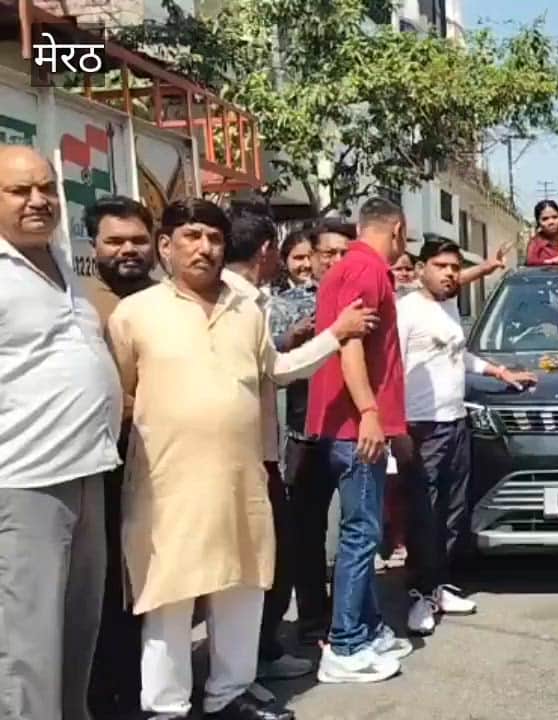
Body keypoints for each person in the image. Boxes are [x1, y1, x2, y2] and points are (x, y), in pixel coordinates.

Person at [107, 199, 372, 720]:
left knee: (242, 587)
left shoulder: (247, 309)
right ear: (166, 246)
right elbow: (118, 394)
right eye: (191, 236)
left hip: (240, 478)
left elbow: (278, 369)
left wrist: (335, 335)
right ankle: (166, 707)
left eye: (214, 237)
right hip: (166, 483)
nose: (204, 247)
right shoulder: (134, 314)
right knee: (168, 597)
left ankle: (230, 693)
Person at [0, 145, 121, 720]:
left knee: (79, 632)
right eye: (19, 191)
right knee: (27, 648)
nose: (38, 200)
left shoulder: (59, 263)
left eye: (46, 188)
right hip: (24, 481)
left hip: (86, 469)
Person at [398, 240, 537, 634]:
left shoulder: (448, 305)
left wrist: (499, 373)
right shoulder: (407, 310)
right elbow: (390, 369)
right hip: (421, 426)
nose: (449, 274)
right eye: (440, 266)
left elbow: (458, 355)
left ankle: (438, 587)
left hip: (455, 421)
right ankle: (419, 595)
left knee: (452, 513)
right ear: (422, 267)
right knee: (423, 515)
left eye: (455, 267)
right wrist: (395, 428)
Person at [307, 198, 415, 684]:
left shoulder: (354, 268)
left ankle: (366, 630)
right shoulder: (364, 269)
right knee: (360, 535)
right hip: (355, 430)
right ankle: (345, 644)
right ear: (397, 228)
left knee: (364, 531)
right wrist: (371, 413)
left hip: (356, 426)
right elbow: (349, 346)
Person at [221, 210, 319, 683]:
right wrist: (336, 336)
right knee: (267, 563)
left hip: (253, 450)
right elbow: (275, 369)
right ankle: (253, 661)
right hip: (253, 454)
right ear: (266, 250)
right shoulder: (241, 304)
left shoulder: (245, 299)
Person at [82, 195, 156, 720]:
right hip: (102, 468)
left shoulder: (167, 301)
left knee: (154, 590)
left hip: (161, 469)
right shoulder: (82, 304)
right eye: (115, 241)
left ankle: (149, 692)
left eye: (138, 240)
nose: (128, 250)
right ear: (94, 246)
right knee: (107, 592)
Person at [267, 218, 353, 646]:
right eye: (326, 254)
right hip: (304, 434)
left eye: (343, 253)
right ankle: (313, 620)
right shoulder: (282, 305)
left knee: (355, 532)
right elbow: (271, 359)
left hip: (353, 430)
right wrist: (293, 337)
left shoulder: (361, 297)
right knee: (306, 533)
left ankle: (350, 618)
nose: (334, 262)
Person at [526, 199, 558, 266]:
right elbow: (530, 262)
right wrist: (551, 262)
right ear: (538, 222)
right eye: (545, 219)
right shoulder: (535, 242)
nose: (551, 222)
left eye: (555, 217)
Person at [275, 227, 313, 291]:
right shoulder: (272, 292)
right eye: (299, 258)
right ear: (283, 260)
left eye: (311, 257)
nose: (307, 264)